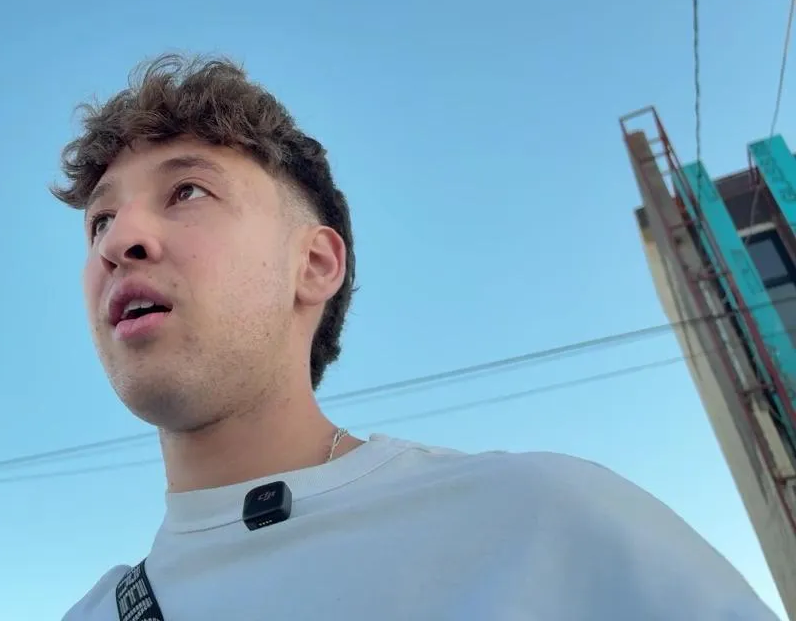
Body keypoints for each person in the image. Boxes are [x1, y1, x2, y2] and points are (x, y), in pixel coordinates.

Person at [52, 53, 777, 620]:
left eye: (188, 191)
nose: (118, 242)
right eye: (100, 222)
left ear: (314, 264)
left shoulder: (544, 526)